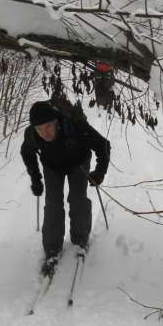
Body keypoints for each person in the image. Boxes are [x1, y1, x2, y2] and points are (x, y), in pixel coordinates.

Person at [20, 100, 110, 277]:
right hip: (52, 165)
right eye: (39, 129)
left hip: (78, 161)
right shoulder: (32, 135)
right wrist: (36, 179)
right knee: (53, 203)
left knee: (77, 199)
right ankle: (52, 250)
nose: (44, 133)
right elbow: (27, 153)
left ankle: (80, 240)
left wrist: (99, 172)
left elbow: (103, 145)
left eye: (48, 127)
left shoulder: (74, 125)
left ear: (57, 122)